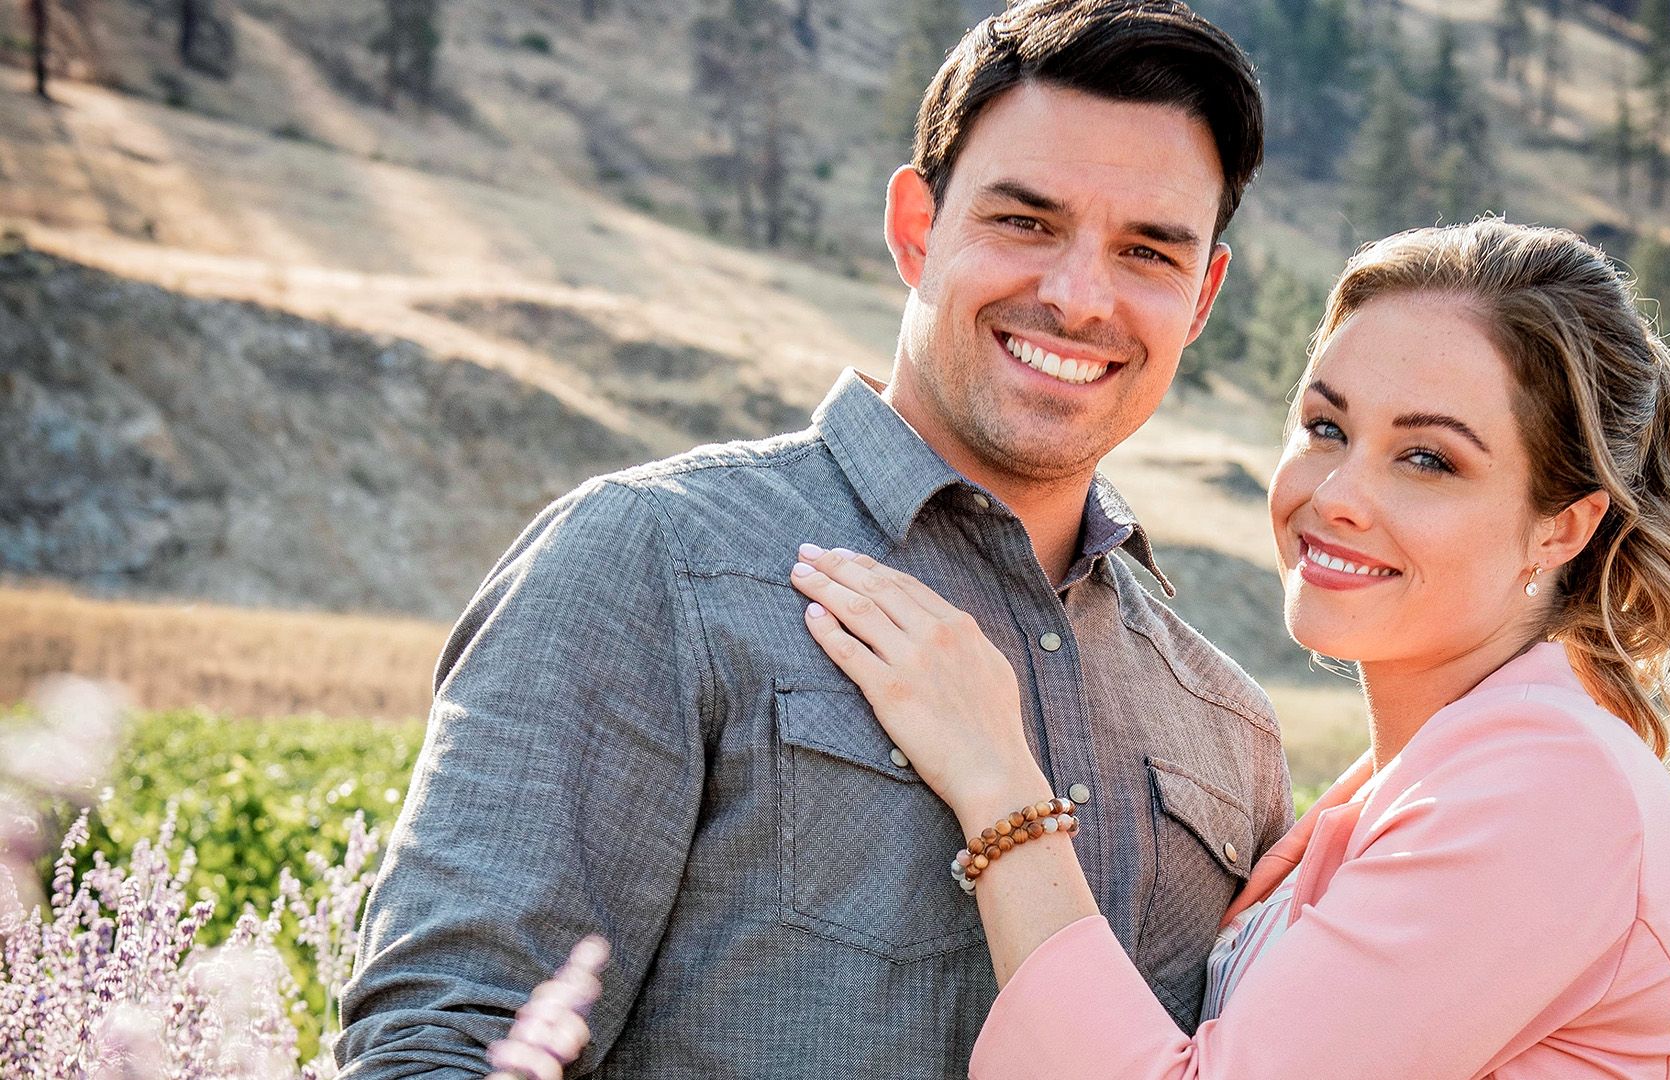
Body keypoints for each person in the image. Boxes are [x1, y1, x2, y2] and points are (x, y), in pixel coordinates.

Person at [336, 2, 1292, 1077]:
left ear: (1203, 295)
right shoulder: (653, 562)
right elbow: (444, 1046)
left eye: (1148, 252)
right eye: (1024, 222)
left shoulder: (1228, 730)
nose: (1077, 297)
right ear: (916, 227)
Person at [790, 218, 1670, 1078]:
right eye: (1326, 427)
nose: (1336, 496)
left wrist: (997, 779)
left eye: (1428, 458)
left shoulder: (1550, 787)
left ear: (1561, 528)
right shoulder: (1414, 777)